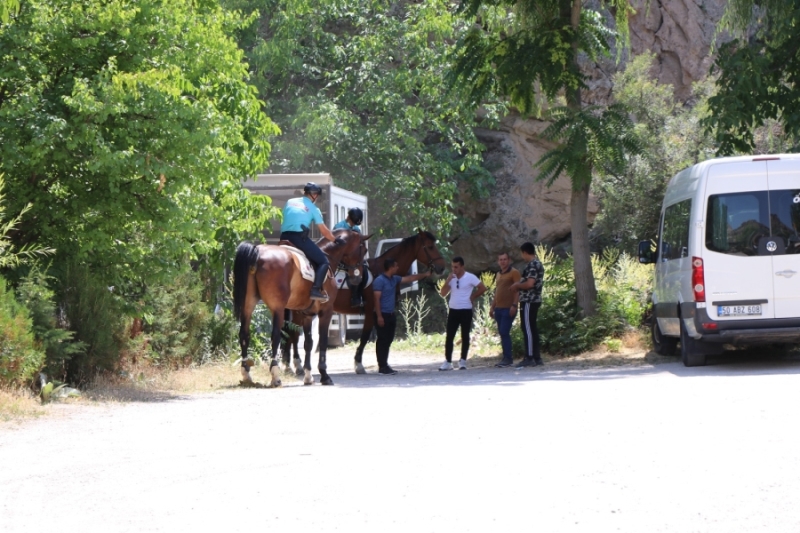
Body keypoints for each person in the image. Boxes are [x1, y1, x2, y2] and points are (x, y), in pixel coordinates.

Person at [279, 182, 339, 301]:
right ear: (315, 195)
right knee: (324, 262)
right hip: (299, 238)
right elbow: (324, 232)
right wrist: (335, 240)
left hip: (284, 237)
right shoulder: (313, 208)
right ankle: (315, 290)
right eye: (317, 195)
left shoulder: (289, 202)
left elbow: (285, 217)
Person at [372, 258, 432, 375]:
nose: (398, 268)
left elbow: (410, 278)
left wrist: (425, 274)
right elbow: (376, 299)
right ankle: (382, 366)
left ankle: (385, 363)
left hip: (391, 314)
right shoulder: (379, 281)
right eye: (396, 266)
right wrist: (379, 316)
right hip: (382, 314)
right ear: (390, 267)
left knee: (388, 340)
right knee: (382, 340)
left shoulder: (394, 279)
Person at [439, 256, 487, 370]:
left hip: (465, 309)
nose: (454, 269)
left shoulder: (470, 277)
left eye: (456, 267)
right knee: (449, 336)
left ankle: (463, 361)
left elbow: (482, 288)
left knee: (465, 335)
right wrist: (448, 281)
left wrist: (473, 296)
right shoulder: (452, 278)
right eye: (452, 267)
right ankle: (448, 361)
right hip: (453, 310)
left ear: (462, 266)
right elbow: (443, 293)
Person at [509, 242, 545, 368]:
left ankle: (529, 357)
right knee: (532, 328)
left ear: (525, 252)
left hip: (530, 300)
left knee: (527, 328)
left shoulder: (533, 265)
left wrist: (517, 285)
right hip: (533, 300)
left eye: (522, 253)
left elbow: (530, 283)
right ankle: (536, 357)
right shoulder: (536, 264)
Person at [490, 252, 521, 367]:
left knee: (504, 331)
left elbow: (517, 289)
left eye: (505, 259)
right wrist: (492, 307)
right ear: (498, 261)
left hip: (508, 308)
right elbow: (497, 292)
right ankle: (505, 357)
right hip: (498, 308)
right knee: (502, 333)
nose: (503, 261)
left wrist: (514, 305)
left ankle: (508, 358)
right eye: (500, 259)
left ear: (509, 260)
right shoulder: (498, 274)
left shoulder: (514, 273)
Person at [333, 207, 367, 307]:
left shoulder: (356, 229)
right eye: (352, 222)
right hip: (340, 256)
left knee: (364, 269)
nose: (353, 225)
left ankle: (357, 296)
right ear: (348, 218)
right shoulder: (339, 227)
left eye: (354, 223)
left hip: (352, 258)